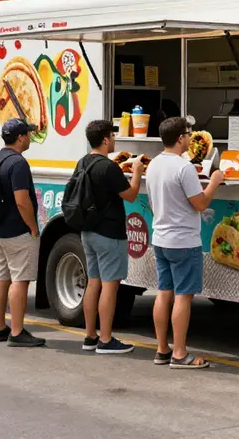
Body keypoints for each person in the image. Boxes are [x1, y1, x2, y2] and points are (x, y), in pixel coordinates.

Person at [146, 116, 224, 369]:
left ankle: (162, 350)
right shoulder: (184, 168)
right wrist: (214, 182)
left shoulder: (154, 165)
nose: (191, 138)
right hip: (183, 241)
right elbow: (200, 203)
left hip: (160, 239)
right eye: (189, 134)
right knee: (183, 297)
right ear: (180, 138)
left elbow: (151, 202)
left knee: (163, 293)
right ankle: (180, 354)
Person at [79, 119, 144, 354]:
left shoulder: (83, 163)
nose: (115, 140)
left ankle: (90, 336)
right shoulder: (108, 167)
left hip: (88, 231)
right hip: (109, 233)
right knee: (110, 286)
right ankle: (106, 339)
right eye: (113, 136)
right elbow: (131, 195)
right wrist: (136, 172)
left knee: (93, 282)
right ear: (106, 139)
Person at [0, 118, 46, 348]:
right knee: (20, 281)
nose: (30, 138)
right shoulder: (18, 163)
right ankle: (17, 331)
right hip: (17, 231)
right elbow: (22, 201)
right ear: (21, 137)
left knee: (2, 278)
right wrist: (33, 227)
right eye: (28, 134)